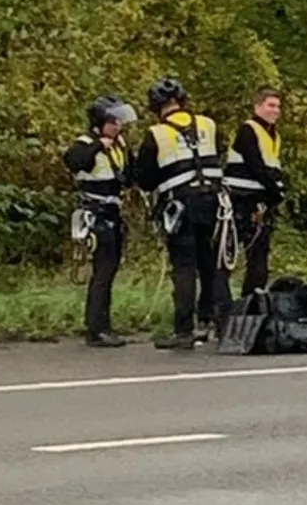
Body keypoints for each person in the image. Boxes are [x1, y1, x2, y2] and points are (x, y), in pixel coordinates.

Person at [135, 77, 233, 350]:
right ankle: (221, 323)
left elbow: (145, 178)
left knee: (184, 267)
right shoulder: (208, 124)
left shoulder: (156, 134)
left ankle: (184, 330)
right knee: (213, 264)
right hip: (214, 202)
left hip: (181, 207)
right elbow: (218, 154)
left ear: (156, 107)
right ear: (183, 101)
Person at [61, 95, 138, 348]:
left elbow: (129, 176)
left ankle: (103, 325)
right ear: (99, 123)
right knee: (102, 272)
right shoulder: (85, 143)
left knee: (110, 269)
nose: (118, 127)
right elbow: (73, 161)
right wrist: (98, 146)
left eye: (119, 122)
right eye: (113, 122)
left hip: (114, 212)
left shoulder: (120, 145)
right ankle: (96, 329)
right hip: (96, 213)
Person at [220, 87, 286, 297]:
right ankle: (218, 305)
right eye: (271, 105)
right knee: (226, 254)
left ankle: (251, 302)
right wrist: (275, 190)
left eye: (278, 106)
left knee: (259, 256)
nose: (276, 110)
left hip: (261, 201)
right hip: (239, 199)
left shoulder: (274, 135)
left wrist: (277, 190)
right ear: (257, 106)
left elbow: (272, 168)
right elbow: (255, 165)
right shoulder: (248, 130)